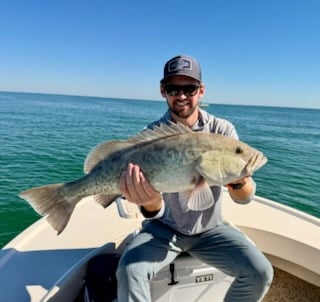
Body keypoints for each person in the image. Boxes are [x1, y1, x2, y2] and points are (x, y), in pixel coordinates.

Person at [116, 55, 273, 302]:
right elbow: (153, 212)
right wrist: (150, 202)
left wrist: (239, 181)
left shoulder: (222, 131)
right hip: (163, 229)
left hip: (212, 229)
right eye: (173, 88)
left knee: (260, 272)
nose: (181, 96)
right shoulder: (150, 137)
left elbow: (245, 198)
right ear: (162, 90)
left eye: (189, 88)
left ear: (201, 91)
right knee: (129, 270)